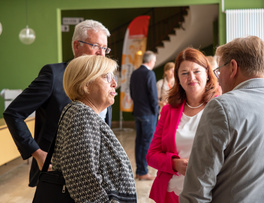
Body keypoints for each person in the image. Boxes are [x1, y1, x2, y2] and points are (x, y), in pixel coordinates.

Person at [3, 19, 112, 187]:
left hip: (96, 172)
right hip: (58, 173)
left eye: (105, 48)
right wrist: (38, 153)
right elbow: (13, 113)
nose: (101, 54)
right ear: (77, 46)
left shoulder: (106, 80)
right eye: (96, 46)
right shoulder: (54, 75)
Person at [179, 36, 264, 203]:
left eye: (219, 70)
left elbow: (197, 189)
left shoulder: (222, 107)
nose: (218, 79)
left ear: (233, 67)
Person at [51, 55, 137, 202]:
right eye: (108, 77)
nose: (115, 83)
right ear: (86, 84)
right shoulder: (81, 115)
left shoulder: (80, 113)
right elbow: (83, 183)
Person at [146, 47, 219, 203]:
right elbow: (151, 155)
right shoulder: (168, 111)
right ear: (178, 79)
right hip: (172, 192)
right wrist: (173, 163)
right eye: (184, 73)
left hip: (210, 193)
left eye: (196, 71)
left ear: (207, 73)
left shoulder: (220, 107)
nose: (191, 78)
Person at [130, 50, 159, 180]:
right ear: (151, 61)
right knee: (147, 142)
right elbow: (153, 95)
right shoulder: (150, 73)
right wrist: (156, 110)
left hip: (138, 111)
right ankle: (143, 172)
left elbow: (131, 93)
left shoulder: (135, 73)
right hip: (148, 113)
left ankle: (139, 171)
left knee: (139, 142)